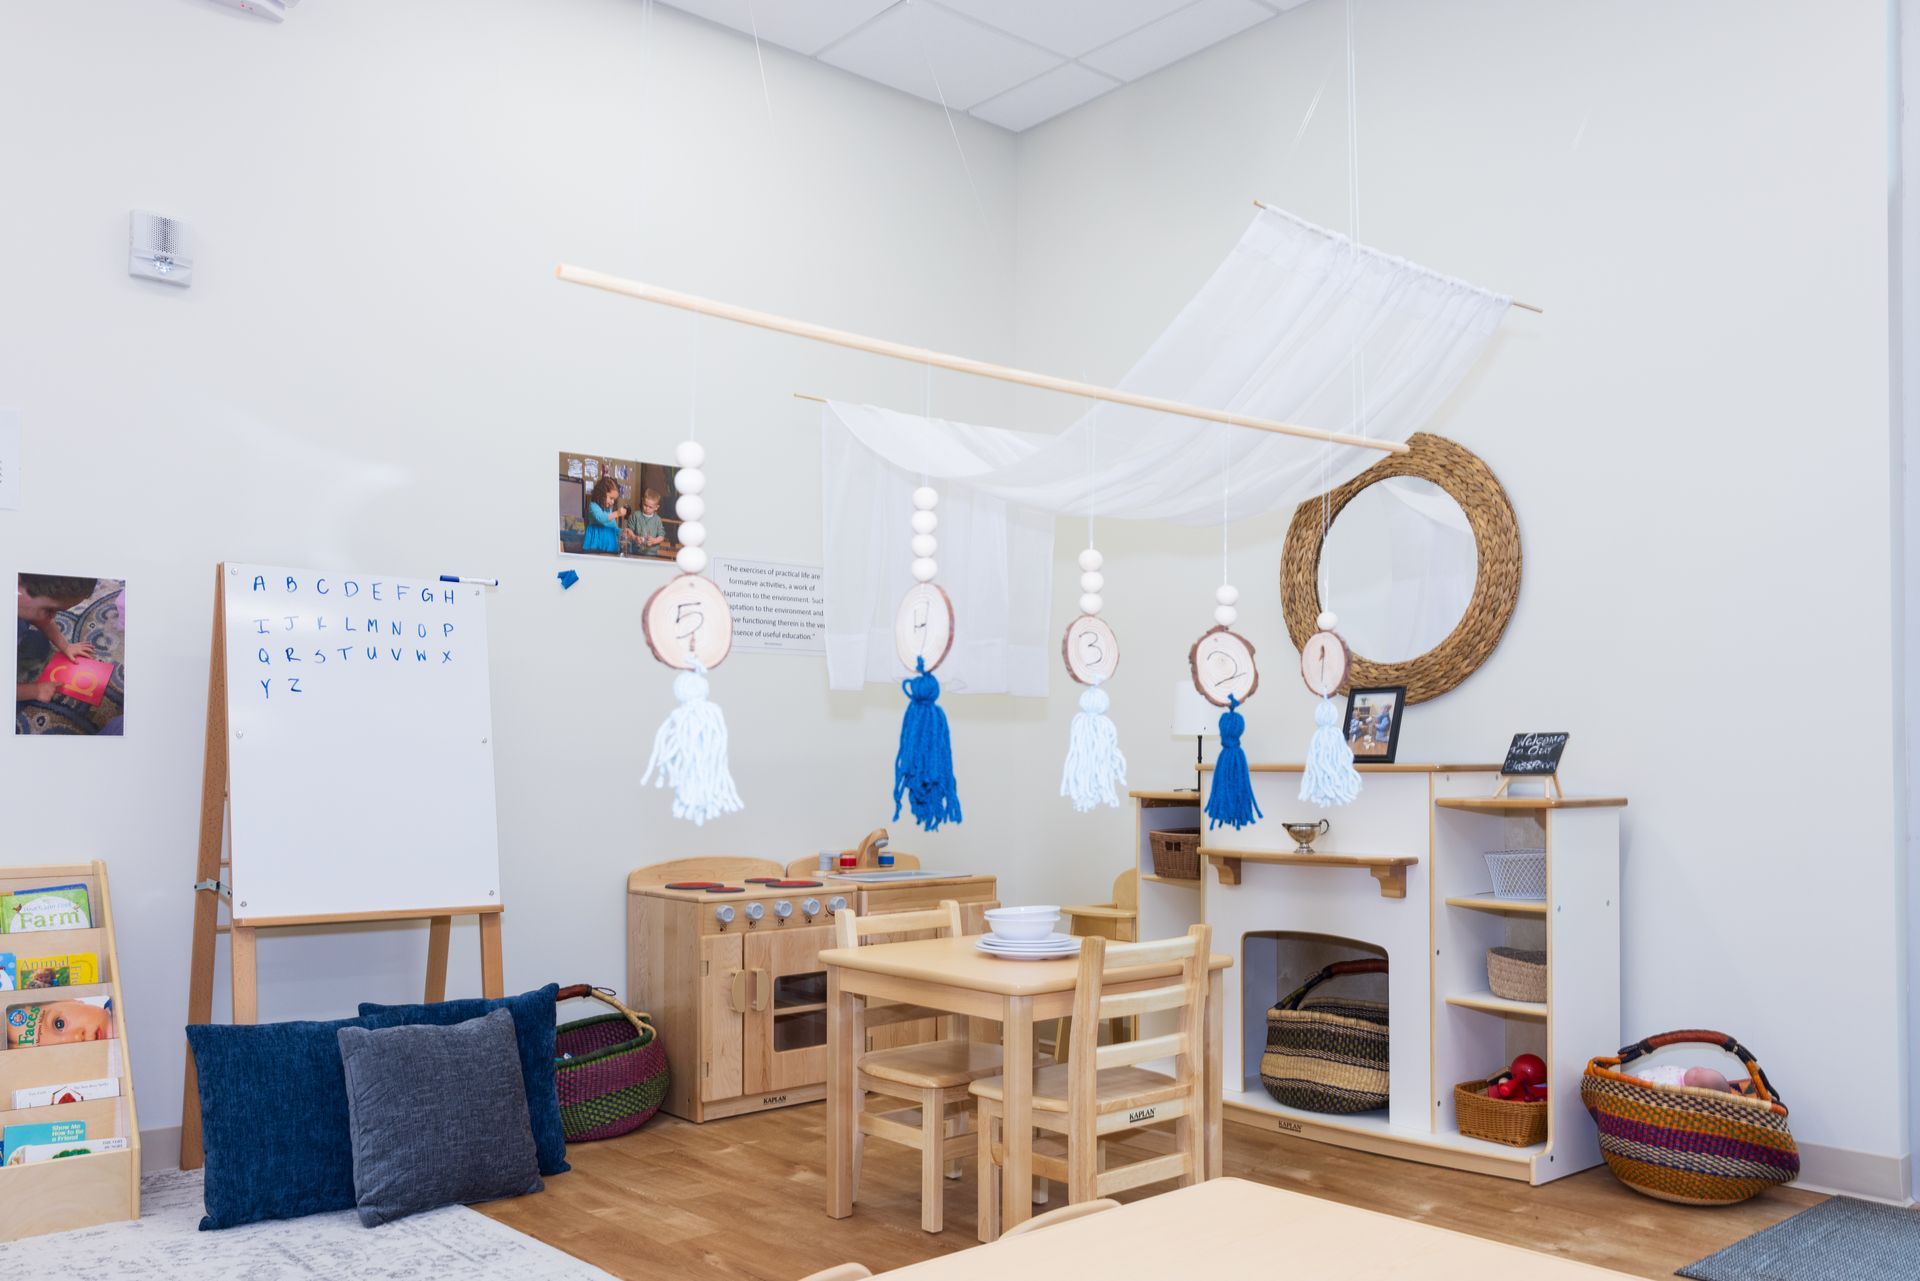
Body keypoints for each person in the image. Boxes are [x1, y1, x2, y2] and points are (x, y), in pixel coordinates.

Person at [16, 574, 97, 706]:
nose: (53, 616)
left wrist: (66, 647)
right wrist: (36, 691)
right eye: (49, 610)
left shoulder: (18, 599)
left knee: (39, 643)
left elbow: (44, 621)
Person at [580, 476, 624, 554]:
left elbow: (613, 527)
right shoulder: (593, 506)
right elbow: (601, 519)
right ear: (601, 494)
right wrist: (617, 513)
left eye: (614, 499)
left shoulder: (609, 510)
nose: (613, 502)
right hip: (596, 544)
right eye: (611, 498)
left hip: (610, 546)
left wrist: (623, 531)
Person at [623, 487, 668, 556]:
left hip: (652, 554)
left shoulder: (657, 520)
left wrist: (654, 541)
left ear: (656, 507)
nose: (647, 508)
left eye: (650, 507)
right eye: (645, 505)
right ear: (642, 501)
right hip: (635, 552)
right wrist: (635, 537)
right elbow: (628, 531)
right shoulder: (636, 515)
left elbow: (661, 536)